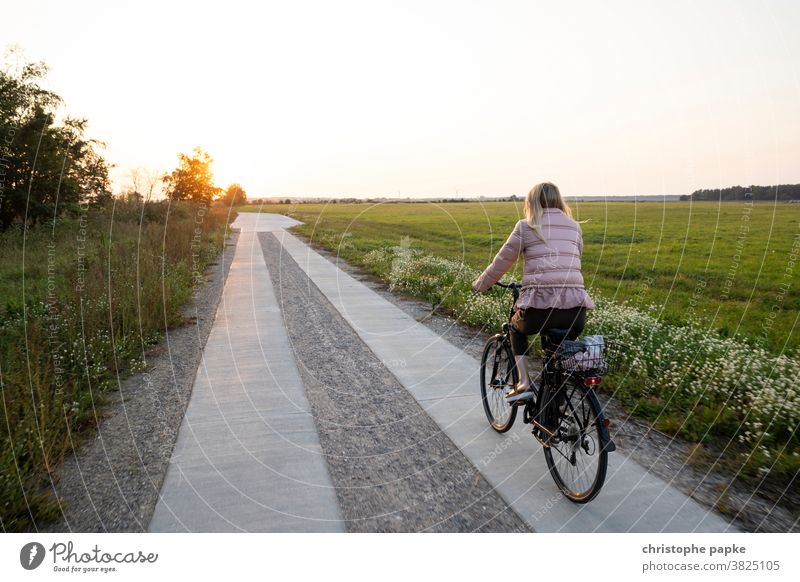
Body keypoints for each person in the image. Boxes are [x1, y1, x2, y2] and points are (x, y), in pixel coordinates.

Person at [472, 182, 595, 399]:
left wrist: (481, 284)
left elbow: (502, 262)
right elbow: (575, 259)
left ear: (532, 203)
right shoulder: (575, 227)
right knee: (557, 358)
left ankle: (524, 382)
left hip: (540, 309)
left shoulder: (526, 226)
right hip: (576, 310)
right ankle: (556, 405)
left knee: (516, 328)